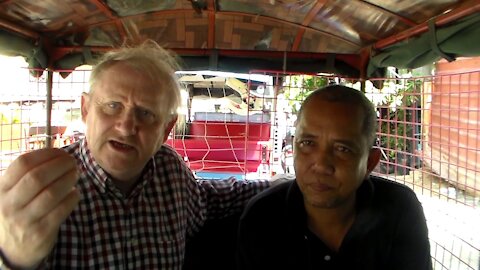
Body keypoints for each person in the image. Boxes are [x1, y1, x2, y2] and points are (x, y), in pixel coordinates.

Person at [0, 41, 270, 269]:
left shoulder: (170, 171)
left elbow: (212, 199)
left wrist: (285, 184)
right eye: (113, 106)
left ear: (166, 129)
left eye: (146, 113)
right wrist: (11, 258)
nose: (127, 127)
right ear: (85, 110)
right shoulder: (46, 187)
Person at [237, 85, 432, 270]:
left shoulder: (398, 210)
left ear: (369, 163)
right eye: (307, 143)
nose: (321, 165)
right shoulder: (262, 218)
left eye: (342, 149)